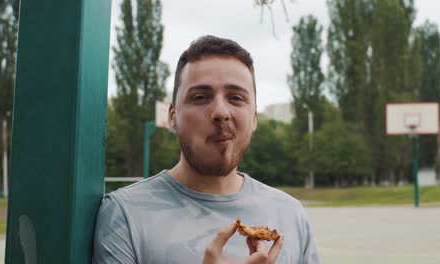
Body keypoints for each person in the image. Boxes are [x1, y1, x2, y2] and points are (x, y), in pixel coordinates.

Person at [92, 35, 319, 264]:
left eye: (236, 97)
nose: (221, 112)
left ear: (254, 118)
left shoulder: (291, 216)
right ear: (172, 117)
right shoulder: (125, 215)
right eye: (200, 97)